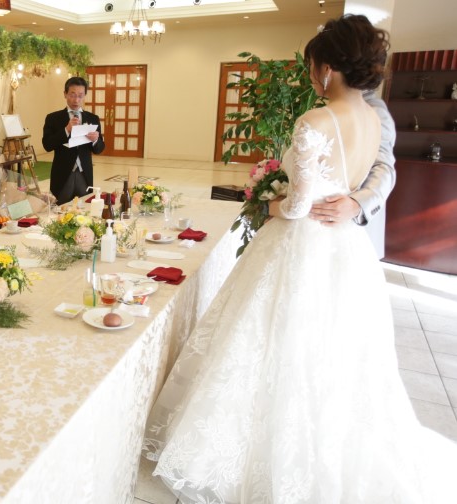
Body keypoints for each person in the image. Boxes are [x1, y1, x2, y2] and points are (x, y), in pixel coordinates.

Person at [142, 15, 456, 503]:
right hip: (344, 247)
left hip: (300, 242)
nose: (310, 74)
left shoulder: (315, 120)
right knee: (326, 343)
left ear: (326, 68)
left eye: (312, 65)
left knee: (273, 335)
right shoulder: (374, 118)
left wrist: (262, 204)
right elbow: (364, 172)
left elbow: (296, 205)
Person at [308, 89, 396, 258]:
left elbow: (383, 167)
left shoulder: (374, 111)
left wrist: (358, 204)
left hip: (349, 221)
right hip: (320, 221)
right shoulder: (328, 108)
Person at [42, 76, 105, 204]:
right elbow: (47, 145)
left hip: (84, 173)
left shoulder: (93, 118)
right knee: (60, 209)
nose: (76, 100)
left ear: (85, 95)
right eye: (72, 95)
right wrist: (66, 130)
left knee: (85, 209)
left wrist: (95, 140)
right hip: (62, 173)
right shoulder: (53, 118)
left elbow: (99, 148)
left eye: (80, 95)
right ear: (65, 94)